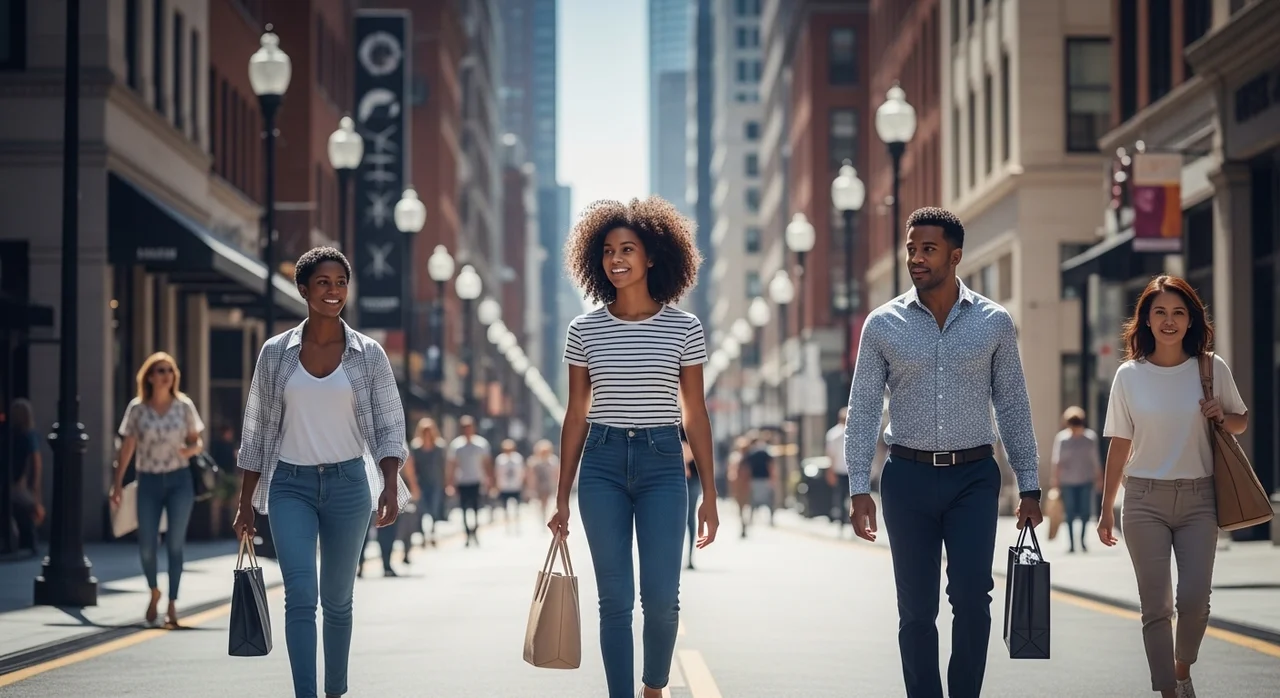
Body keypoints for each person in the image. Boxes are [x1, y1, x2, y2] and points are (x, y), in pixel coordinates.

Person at [843, 207, 1042, 698]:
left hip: (974, 476)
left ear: (955, 255)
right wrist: (857, 487)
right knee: (915, 611)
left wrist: (1030, 484)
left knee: (973, 600)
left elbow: (1013, 403)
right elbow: (863, 407)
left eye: (928, 249)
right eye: (911, 249)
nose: (916, 258)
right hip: (906, 479)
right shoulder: (882, 324)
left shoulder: (994, 322)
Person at [548, 196, 719, 698]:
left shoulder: (683, 328)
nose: (616, 259)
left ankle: (654, 686)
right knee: (615, 601)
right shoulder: (584, 330)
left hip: (664, 462)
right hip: (600, 464)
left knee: (663, 599)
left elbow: (695, 414)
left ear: (652, 257)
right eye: (607, 250)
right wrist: (562, 493)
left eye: (628, 249)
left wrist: (709, 492)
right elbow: (576, 413)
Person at [231, 246, 410, 698]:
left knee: (338, 600)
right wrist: (245, 503)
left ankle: (335, 691)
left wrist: (389, 484)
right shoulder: (276, 354)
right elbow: (255, 431)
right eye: (324, 283)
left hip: (350, 485)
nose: (334, 292)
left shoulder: (368, 354)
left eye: (341, 283)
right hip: (290, 485)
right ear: (304, 289)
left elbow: (390, 423)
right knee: (300, 597)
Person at [1097, 275, 1247, 698]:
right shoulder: (1128, 375)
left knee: (1195, 602)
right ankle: (1168, 691)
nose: (1169, 320)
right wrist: (1107, 508)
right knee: (1156, 609)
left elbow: (1241, 421)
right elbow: (1119, 444)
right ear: (1145, 319)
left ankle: (1181, 670)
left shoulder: (1210, 367)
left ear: (1190, 320)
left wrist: (1221, 413)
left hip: (1200, 500)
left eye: (1178, 312)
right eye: (1159, 312)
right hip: (1143, 500)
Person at [109, 352, 205, 628]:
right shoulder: (137, 409)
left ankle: (172, 605)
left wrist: (190, 449)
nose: (167, 375)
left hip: (179, 481)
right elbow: (127, 448)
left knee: (175, 545)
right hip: (148, 481)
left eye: (170, 370)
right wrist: (117, 483)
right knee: (147, 546)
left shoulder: (183, 405)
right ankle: (154, 591)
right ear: (149, 376)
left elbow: (197, 442)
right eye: (161, 370)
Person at [1051, 406, 1101, 553]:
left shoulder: (1090, 438)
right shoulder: (1062, 439)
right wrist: (1055, 481)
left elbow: (1096, 460)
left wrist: (1099, 478)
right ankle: (1072, 543)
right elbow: (1057, 461)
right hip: (1067, 481)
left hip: (1086, 480)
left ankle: (1083, 541)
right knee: (1070, 513)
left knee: (1085, 512)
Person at [445, 416, 492, 547]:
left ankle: (475, 532)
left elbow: (487, 463)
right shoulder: (456, 445)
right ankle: (467, 533)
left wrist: (490, 480)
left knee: (477, 508)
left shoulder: (481, 444)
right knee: (464, 508)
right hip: (462, 481)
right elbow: (452, 465)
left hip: (476, 480)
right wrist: (450, 482)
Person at [8, 399, 44, 557]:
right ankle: (29, 542)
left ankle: (23, 541)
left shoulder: (8, 434)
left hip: (11, 482)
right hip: (18, 483)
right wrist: (35, 489)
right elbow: (36, 463)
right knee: (32, 509)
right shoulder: (29, 435)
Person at [409, 418, 447, 547]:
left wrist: (446, 483)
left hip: (436, 482)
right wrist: (413, 484)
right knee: (422, 510)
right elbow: (412, 467)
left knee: (434, 509)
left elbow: (444, 466)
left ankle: (432, 532)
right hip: (422, 483)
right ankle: (423, 535)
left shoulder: (439, 447)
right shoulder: (415, 447)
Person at [742, 432, 776, 532]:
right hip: (765, 479)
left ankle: (751, 519)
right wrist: (772, 479)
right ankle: (771, 519)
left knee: (754, 500)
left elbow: (747, 468)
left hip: (754, 479)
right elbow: (771, 466)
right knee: (768, 501)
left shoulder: (751, 453)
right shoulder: (765, 452)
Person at [494, 439, 526, 532]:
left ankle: (517, 525)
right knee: (505, 508)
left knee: (517, 507)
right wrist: (497, 485)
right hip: (504, 486)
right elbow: (497, 473)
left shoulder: (518, 458)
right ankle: (507, 526)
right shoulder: (500, 459)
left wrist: (523, 483)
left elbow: (522, 472)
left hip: (516, 486)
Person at [825, 407, 849, 534]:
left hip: (839, 470)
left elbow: (830, 455)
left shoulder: (832, 434)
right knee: (851, 498)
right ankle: (848, 522)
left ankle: (841, 523)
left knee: (839, 497)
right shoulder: (855, 432)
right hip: (851, 471)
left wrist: (830, 471)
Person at [526, 439, 560, 520]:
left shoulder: (553, 461)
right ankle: (542, 515)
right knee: (540, 501)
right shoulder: (534, 461)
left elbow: (556, 473)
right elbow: (530, 475)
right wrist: (530, 487)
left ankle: (545, 515)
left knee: (546, 501)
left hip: (548, 484)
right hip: (539, 484)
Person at [680, 428, 699, 570]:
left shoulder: (690, 429)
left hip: (692, 479)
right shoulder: (671, 427)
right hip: (674, 478)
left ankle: (690, 557)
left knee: (689, 518)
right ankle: (683, 557)